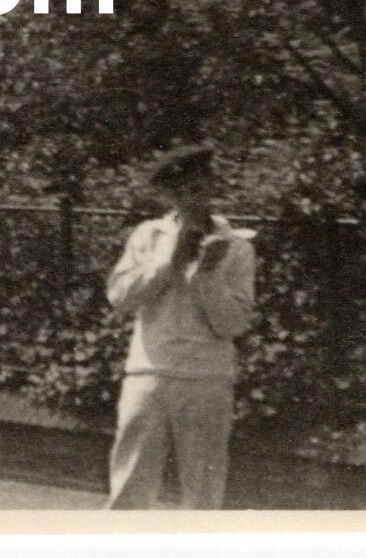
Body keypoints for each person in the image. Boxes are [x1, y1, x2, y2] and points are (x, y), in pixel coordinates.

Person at [104, 143, 256, 509]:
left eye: (201, 188)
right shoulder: (148, 236)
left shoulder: (236, 247)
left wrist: (206, 275)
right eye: (184, 192)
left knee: (203, 491)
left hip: (205, 379)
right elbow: (120, 298)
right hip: (148, 373)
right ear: (171, 196)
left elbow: (233, 324)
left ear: (212, 188)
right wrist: (167, 264)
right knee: (130, 486)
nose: (193, 199)